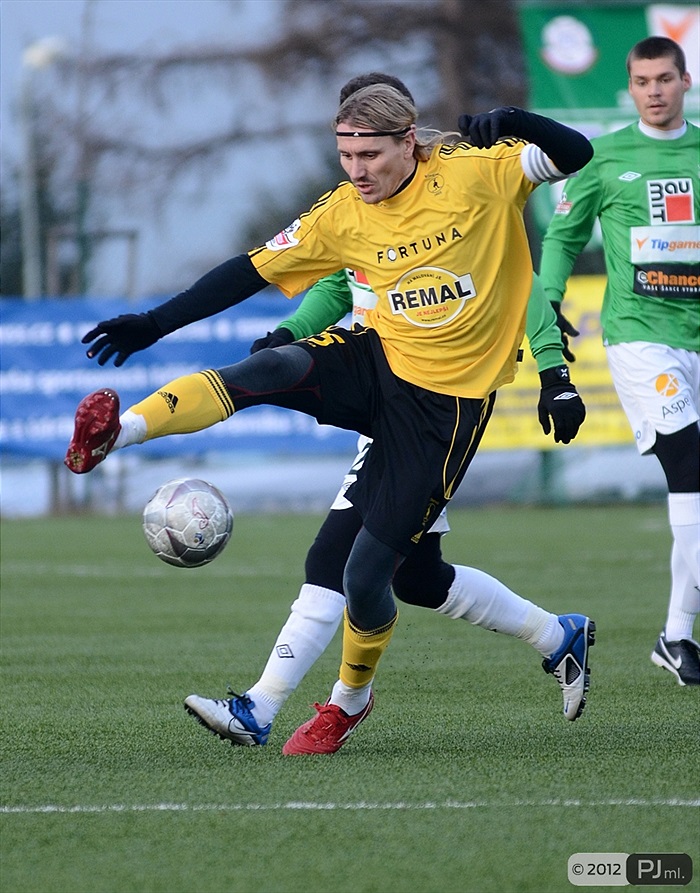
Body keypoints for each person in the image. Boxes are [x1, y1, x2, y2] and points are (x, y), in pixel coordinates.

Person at [64, 78, 595, 754]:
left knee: (377, 577)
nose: (357, 171)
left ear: (409, 142)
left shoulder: (476, 174)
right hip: (380, 364)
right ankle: (121, 432)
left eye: (369, 154)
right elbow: (249, 269)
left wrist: (516, 120)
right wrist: (155, 322)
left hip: (445, 412)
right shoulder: (344, 210)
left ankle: (349, 700)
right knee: (269, 370)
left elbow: (574, 152)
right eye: (345, 155)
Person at [184, 264, 591, 749]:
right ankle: (556, 635)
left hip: (428, 412)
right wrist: (290, 332)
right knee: (417, 578)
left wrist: (553, 371)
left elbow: (516, 275)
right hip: (382, 403)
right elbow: (341, 281)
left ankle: (266, 707)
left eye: (367, 178)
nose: (359, 181)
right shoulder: (359, 207)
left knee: (334, 563)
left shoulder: (452, 202)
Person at [540, 36, 699, 686]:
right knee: (688, 458)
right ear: (630, 87)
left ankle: (674, 634)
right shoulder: (602, 158)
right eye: (642, 81)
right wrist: (549, 301)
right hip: (639, 337)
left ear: (685, 80)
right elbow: (562, 238)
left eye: (665, 78)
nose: (654, 90)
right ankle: (679, 636)